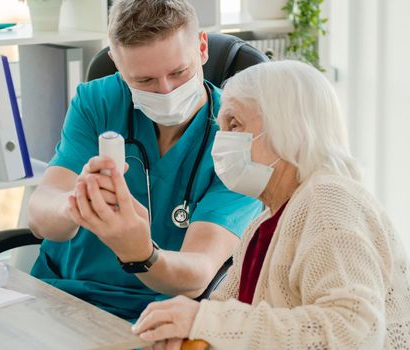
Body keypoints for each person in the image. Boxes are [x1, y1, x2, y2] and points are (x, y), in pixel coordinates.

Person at [132, 60, 410, 349]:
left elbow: (353, 333)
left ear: (290, 127)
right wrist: (189, 335)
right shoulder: (264, 222)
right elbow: (227, 318)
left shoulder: (329, 199)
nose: (221, 140)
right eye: (221, 127)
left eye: (234, 124)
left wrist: (202, 321)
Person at [27, 0, 262, 321]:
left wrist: (141, 254)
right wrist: (75, 203)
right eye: (144, 81)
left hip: (153, 315)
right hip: (57, 295)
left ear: (202, 47)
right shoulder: (96, 101)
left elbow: (198, 274)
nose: (165, 91)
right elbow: (40, 220)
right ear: (116, 63)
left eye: (179, 72)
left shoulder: (239, 135)